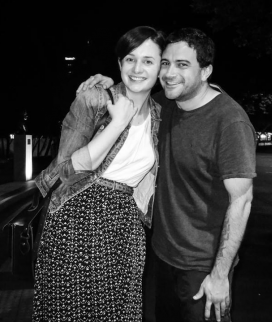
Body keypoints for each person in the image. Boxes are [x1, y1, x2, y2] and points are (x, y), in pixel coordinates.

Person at [77, 28, 256, 322]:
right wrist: (104, 84)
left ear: (206, 71)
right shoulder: (163, 104)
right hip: (160, 255)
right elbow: (131, 89)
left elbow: (242, 200)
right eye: (165, 63)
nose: (170, 73)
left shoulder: (230, 121)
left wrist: (220, 275)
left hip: (202, 266)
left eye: (183, 65)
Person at [33, 26, 165, 321]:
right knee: (70, 310)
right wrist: (117, 124)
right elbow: (67, 169)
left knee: (118, 312)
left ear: (160, 67)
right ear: (119, 64)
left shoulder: (161, 114)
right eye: (130, 59)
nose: (138, 68)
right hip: (76, 218)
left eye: (148, 61)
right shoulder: (94, 100)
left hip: (125, 226)